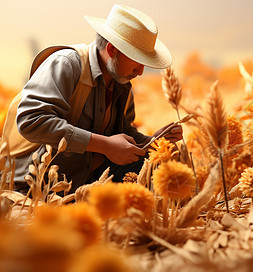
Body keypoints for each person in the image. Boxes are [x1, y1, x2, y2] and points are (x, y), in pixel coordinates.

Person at [4, 4, 182, 193]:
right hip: (32, 188)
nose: (140, 71)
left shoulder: (122, 84)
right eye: (137, 60)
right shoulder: (67, 64)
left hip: (83, 182)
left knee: (165, 166)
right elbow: (31, 121)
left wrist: (151, 142)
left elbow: (121, 133)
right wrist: (105, 145)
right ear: (112, 50)